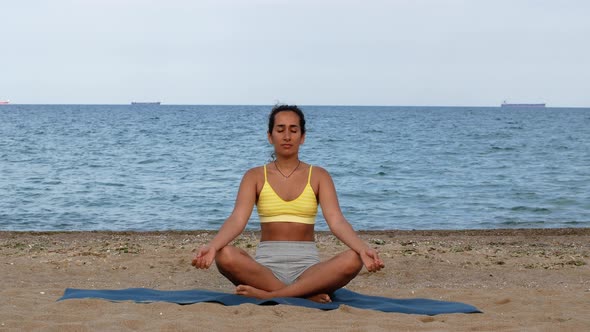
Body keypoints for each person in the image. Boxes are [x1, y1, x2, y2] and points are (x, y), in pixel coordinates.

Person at [192, 104, 384, 303]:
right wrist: (212, 247)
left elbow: (336, 221)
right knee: (224, 255)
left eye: (293, 130)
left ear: (302, 137)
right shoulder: (255, 176)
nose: (287, 136)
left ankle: (273, 295)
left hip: (308, 269)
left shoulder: (319, 176)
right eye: (280, 129)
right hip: (266, 270)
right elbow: (237, 219)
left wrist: (362, 248)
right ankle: (303, 294)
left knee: (353, 259)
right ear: (270, 136)